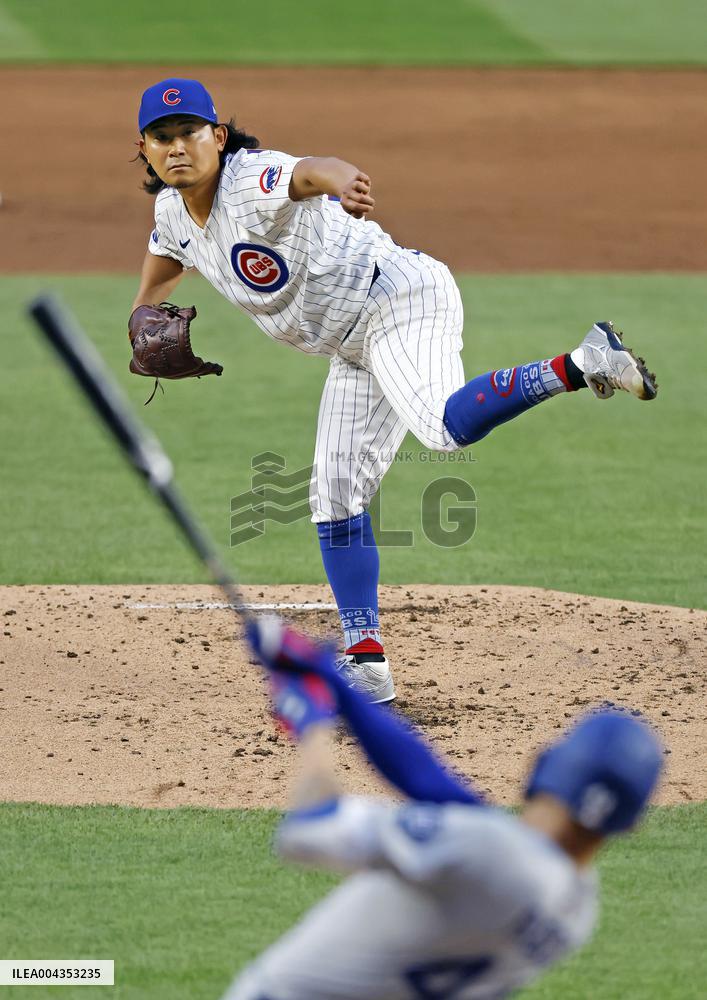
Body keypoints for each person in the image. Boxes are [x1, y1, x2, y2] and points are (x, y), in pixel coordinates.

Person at [131, 77, 658, 704]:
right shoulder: (172, 212)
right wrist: (140, 317)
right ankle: (367, 661)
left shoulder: (250, 181)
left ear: (217, 136)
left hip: (399, 298)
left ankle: (582, 362)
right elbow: (163, 269)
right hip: (351, 346)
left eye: (189, 132)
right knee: (333, 497)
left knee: (441, 427)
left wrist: (343, 180)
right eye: (162, 137)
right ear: (145, 148)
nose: (177, 147)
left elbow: (308, 171)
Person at [220, 617, 663, 1000]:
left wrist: (311, 719)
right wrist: (333, 683)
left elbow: (307, 834)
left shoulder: (490, 849)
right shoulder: (575, 908)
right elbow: (435, 788)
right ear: (629, 823)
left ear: (546, 765)